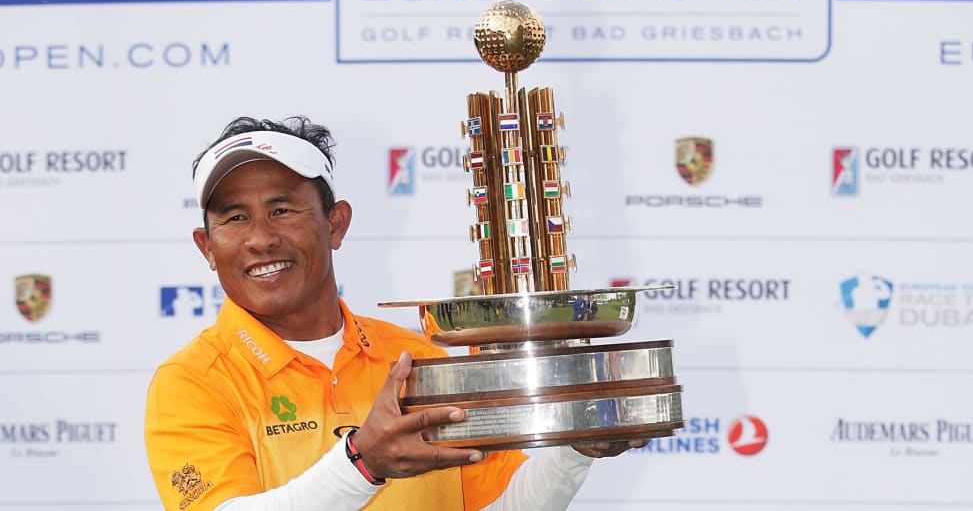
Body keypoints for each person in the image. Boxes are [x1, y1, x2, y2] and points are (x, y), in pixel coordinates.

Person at [144, 116, 644, 511]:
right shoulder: (192, 383)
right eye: (234, 218)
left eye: (283, 209)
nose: (260, 238)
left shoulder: (415, 357)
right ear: (206, 248)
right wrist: (363, 464)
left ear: (335, 224)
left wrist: (577, 445)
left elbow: (502, 506)